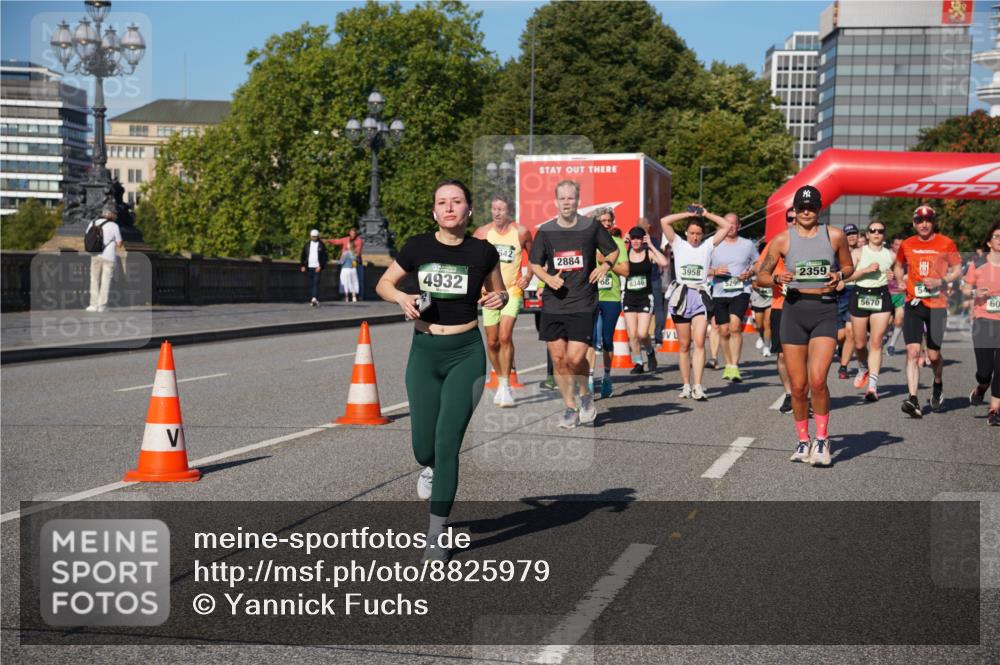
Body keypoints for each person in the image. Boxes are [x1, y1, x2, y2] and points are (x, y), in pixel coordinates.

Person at [376, 179, 506, 561]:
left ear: (468, 211)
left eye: (457, 202)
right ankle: (430, 467)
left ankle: (436, 533)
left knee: (448, 444)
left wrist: (500, 296)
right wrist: (403, 297)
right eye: (442, 202)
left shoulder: (483, 252)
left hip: (466, 352)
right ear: (434, 211)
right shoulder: (418, 247)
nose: (449, 208)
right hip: (425, 352)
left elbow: (499, 292)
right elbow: (384, 283)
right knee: (423, 448)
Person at [758, 185, 853, 467]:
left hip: (824, 310)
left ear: (819, 208)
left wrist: (838, 274)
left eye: (811, 207)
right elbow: (760, 275)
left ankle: (822, 439)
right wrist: (776, 279)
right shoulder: (782, 240)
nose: (806, 211)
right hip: (794, 312)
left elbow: (848, 267)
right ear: (795, 210)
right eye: (802, 207)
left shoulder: (834, 236)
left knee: (818, 380)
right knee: (798, 387)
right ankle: (803, 440)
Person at [529, 180, 619, 429]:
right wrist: (547, 278)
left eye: (571, 198)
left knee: (574, 357)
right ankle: (570, 407)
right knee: (559, 359)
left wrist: (604, 266)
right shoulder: (546, 231)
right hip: (553, 304)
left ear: (578, 200)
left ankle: (585, 395)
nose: (566, 202)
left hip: (583, 301)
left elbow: (612, 252)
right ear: (556, 201)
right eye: (562, 198)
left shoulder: (590, 227)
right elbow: (535, 262)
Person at [895, 205, 962, 418]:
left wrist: (940, 280)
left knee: (933, 356)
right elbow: (898, 266)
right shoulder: (907, 244)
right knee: (913, 352)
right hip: (914, 304)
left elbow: (957, 270)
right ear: (914, 223)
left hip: (938, 305)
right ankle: (913, 399)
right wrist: (899, 280)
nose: (924, 224)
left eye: (928, 220)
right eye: (919, 220)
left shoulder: (946, 242)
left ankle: (938, 383)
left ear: (933, 222)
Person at [660, 204, 733, 401]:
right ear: (686, 233)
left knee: (699, 341)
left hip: (700, 295)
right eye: (691, 233)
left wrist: (707, 214)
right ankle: (685, 384)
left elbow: (726, 226)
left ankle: (698, 385)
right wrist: (689, 214)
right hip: (681, 296)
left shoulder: (708, 245)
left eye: (698, 233)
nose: (695, 237)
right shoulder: (677, 243)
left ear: (703, 234)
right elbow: (664, 222)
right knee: (684, 345)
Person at [473, 193, 532, 408]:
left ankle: (506, 385)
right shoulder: (481, 233)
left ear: (509, 211)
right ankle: (499, 378)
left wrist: (528, 276)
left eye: (502, 209)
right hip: (489, 294)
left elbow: (534, 258)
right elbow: (471, 260)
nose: (498, 213)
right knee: (492, 341)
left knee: (505, 335)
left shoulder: (522, 233)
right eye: (494, 209)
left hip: (513, 290)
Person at [843, 221, 897, 401]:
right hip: (860, 294)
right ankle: (862, 367)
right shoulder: (858, 252)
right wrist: (865, 270)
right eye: (872, 230)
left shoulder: (891, 255)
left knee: (876, 342)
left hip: (881, 295)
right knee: (859, 344)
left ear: (884, 234)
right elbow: (848, 275)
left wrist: (894, 277)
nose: (876, 233)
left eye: (880, 231)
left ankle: (873, 386)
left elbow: (901, 278)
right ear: (867, 234)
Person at [707, 213, 759, 382]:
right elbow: (701, 267)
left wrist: (750, 272)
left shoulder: (747, 244)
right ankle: (728, 363)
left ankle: (735, 365)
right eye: (727, 224)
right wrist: (714, 272)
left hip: (741, 290)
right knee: (723, 330)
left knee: (735, 327)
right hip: (720, 291)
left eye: (733, 224)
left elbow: (758, 263)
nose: (730, 227)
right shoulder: (713, 244)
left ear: (739, 225)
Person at [587, 208, 629, 398]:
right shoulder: (588, 241)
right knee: (590, 339)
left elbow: (626, 271)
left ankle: (606, 378)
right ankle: (588, 379)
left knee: (606, 339)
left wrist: (605, 261)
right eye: (602, 220)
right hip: (591, 297)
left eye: (608, 221)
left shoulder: (618, 243)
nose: (606, 223)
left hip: (611, 298)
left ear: (612, 222)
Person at [963, 222, 1000, 426]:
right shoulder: (977, 264)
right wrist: (975, 293)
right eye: (997, 236)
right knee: (985, 371)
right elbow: (965, 288)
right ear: (989, 241)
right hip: (983, 320)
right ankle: (981, 387)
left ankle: (994, 409)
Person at [762, 207, 797, 414]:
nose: (794, 221)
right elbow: (760, 276)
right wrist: (776, 279)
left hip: (808, 306)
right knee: (783, 356)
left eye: (797, 217)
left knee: (806, 356)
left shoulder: (817, 244)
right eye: (790, 218)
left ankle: (805, 395)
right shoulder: (775, 244)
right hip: (780, 306)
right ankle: (789, 394)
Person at [623, 226, 669, 374]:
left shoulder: (648, 253)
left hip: (645, 298)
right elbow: (612, 260)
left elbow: (664, 263)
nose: (636, 241)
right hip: (629, 297)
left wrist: (651, 246)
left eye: (639, 238)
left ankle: (650, 353)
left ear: (643, 239)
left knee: (642, 334)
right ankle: (638, 363)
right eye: (633, 238)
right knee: (632, 334)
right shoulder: (625, 253)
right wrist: (622, 245)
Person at [86, 205, 123, 313]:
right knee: (106, 281)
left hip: (95, 255)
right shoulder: (114, 226)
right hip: (109, 256)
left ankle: (93, 305)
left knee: (94, 279)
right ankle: (102, 306)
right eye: (114, 214)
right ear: (111, 214)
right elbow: (119, 243)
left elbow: (87, 237)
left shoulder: (93, 223)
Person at [836, 223, 861, 379]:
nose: (852, 236)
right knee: (840, 335)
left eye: (854, 234)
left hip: (856, 292)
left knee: (851, 332)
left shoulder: (864, 253)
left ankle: (843, 367)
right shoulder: (835, 253)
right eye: (848, 234)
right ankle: (841, 348)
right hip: (838, 294)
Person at [750, 238, 773, 358]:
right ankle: (760, 336)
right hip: (758, 298)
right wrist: (760, 287)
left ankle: (767, 346)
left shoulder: (775, 264)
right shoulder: (756, 265)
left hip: (771, 298)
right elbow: (753, 283)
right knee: (759, 325)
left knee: (768, 322)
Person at [328, 228, 364, 299]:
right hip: (347, 263)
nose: (352, 235)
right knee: (347, 281)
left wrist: (349, 254)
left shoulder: (359, 241)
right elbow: (337, 241)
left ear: (356, 234)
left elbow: (358, 252)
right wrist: (328, 240)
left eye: (353, 233)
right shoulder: (346, 239)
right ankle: (348, 296)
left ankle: (359, 295)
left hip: (355, 262)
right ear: (349, 233)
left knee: (358, 280)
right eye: (351, 233)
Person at [886, 234, 906, 355]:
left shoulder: (907, 258)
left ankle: (891, 345)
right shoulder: (885, 257)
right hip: (886, 294)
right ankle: (882, 337)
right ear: (892, 245)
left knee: (899, 320)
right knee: (887, 322)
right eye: (896, 244)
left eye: (901, 245)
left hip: (900, 294)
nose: (899, 247)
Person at [299, 229, 329, 306]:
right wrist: (303, 265)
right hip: (309, 267)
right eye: (313, 237)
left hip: (317, 267)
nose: (314, 238)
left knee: (316, 283)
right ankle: (313, 298)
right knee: (310, 283)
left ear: (318, 236)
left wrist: (321, 266)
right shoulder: (307, 245)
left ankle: (314, 298)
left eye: (315, 237)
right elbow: (303, 256)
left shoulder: (321, 245)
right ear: (310, 236)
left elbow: (324, 257)